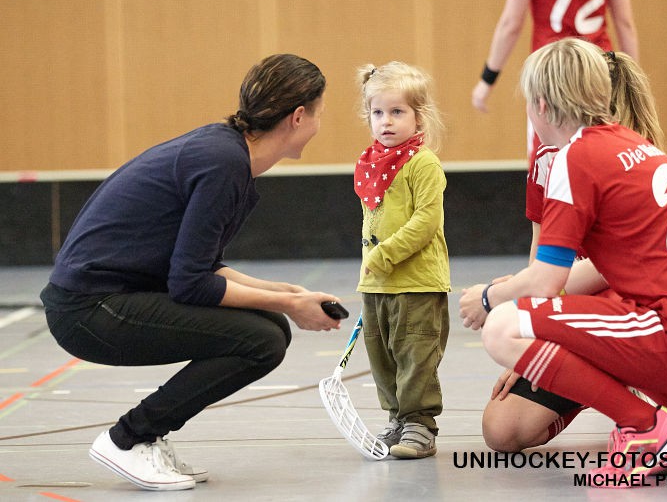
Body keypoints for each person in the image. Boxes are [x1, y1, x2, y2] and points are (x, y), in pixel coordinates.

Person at [459, 38, 667, 487]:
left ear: (540, 105)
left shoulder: (577, 158)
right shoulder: (629, 144)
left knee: (503, 324)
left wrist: (487, 297)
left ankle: (646, 428)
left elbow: (543, 282)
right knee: (520, 338)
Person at [39, 54, 343, 491]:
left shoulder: (224, 151)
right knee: (262, 339)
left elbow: (198, 264)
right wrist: (290, 304)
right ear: (298, 117)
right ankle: (128, 439)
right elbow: (192, 284)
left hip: (106, 298)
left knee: (269, 326)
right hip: (90, 310)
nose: (319, 124)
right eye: (319, 114)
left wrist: (283, 293)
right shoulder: (223, 164)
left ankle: (145, 435)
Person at [483, 49, 666, 454]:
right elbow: (541, 256)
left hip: (630, 308)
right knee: (502, 431)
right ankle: (594, 381)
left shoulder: (635, 157)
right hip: (573, 306)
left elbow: (611, 267)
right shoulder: (547, 159)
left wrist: (507, 301)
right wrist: (529, 345)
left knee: (506, 295)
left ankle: (648, 412)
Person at [354, 61, 450, 459]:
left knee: (416, 355)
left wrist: (385, 254)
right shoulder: (369, 164)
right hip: (377, 283)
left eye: (397, 112)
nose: (386, 121)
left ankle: (419, 423)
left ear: (419, 116)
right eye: (378, 112)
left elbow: (425, 221)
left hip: (417, 282)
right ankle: (396, 417)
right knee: (382, 358)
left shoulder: (423, 164)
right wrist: (372, 268)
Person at [471, 0, 639, 156]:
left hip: (552, 71)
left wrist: (487, 79)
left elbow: (511, 24)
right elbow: (625, 23)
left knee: (547, 158)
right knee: (602, 149)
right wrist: (631, 82)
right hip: (597, 68)